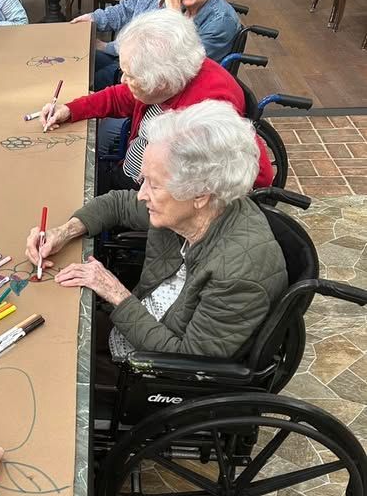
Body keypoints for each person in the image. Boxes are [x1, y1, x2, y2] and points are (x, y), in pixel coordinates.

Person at [26, 101, 288, 368]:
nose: (142, 194)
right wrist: (64, 231)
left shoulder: (239, 273)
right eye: (144, 180)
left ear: (199, 194)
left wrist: (115, 292)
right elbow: (118, 203)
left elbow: (186, 360)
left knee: (46, 361)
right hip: (140, 326)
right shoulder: (193, 209)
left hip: (154, 373)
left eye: (154, 185)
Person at [41, 11, 274, 192]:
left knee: (70, 187)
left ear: (161, 82)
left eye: (130, 76)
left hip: (147, 194)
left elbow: (258, 174)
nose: (124, 79)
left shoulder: (205, 113)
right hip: (132, 170)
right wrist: (70, 110)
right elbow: (120, 96)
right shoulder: (174, 73)